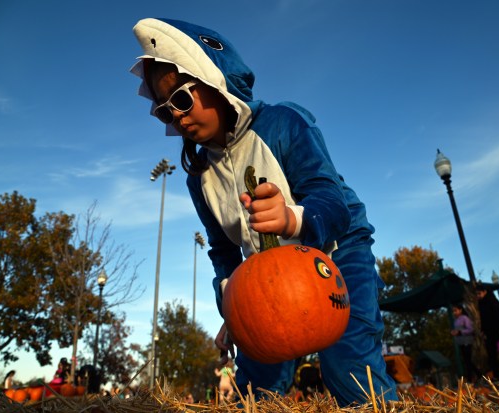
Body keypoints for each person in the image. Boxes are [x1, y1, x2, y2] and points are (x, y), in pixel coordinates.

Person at [131, 17, 398, 405]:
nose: (178, 116)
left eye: (183, 99)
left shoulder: (284, 123)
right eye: (165, 111)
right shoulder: (198, 177)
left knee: (348, 362)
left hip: (338, 253)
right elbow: (222, 251)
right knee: (255, 381)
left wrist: (292, 218)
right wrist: (231, 309)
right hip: (267, 279)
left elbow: (331, 199)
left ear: (214, 78)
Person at [476, 284, 499, 381]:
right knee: (492, 355)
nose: (478, 296)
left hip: (498, 331)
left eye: (479, 293)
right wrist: (482, 330)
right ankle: (498, 375)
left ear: (485, 291)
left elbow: (498, 316)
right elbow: (483, 319)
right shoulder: (481, 303)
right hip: (488, 332)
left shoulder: (493, 302)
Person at [450, 304, 479, 383]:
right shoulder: (456, 320)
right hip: (461, 342)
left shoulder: (464, 318)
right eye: (453, 311)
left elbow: (470, 329)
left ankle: (471, 378)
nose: (454, 312)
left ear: (460, 310)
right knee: (466, 360)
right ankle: (477, 374)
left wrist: (460, 332)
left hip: (467, 341)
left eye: (455, 310)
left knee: (468, 360)